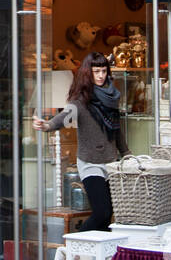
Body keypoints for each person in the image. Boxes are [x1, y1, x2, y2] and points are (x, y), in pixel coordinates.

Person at [33, 52, 128, 231]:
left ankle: (98, 256)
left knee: (108, 216)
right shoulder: (80, 102)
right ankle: (73, 246)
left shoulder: (112, 98)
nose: (101, 76)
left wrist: (126, 153)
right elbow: (63, 117)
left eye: (104, 71)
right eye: (96, 71)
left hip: (111, 162)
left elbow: (116, 130)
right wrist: (46, 126)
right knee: (102, 212)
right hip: (90, 163)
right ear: (87, 73)